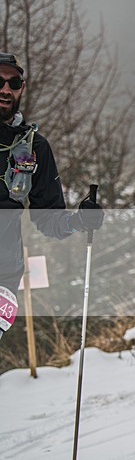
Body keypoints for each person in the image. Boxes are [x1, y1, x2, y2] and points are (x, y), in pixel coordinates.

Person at [0, 52, 103, 339]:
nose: (6, 89)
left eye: (14, 82)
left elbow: (48, 217)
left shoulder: (34, 147)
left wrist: (80, 221)